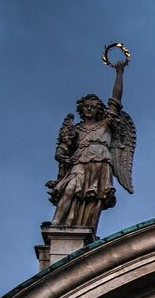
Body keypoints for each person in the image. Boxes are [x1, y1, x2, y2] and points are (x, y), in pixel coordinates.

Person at [48, 58, 135, 231]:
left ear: (99, 110)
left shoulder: (106, 124)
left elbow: (116, 100)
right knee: (69, 189)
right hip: (80, 162)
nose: (89, 109)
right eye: (86, 106)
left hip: (101, 163)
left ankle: (87, 227)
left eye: (93, 107)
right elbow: (62, 147)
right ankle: (56, 224)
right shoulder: (76, 129)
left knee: (94, 199)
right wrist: (60, 155)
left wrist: (119, 73)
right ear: (81, 109)